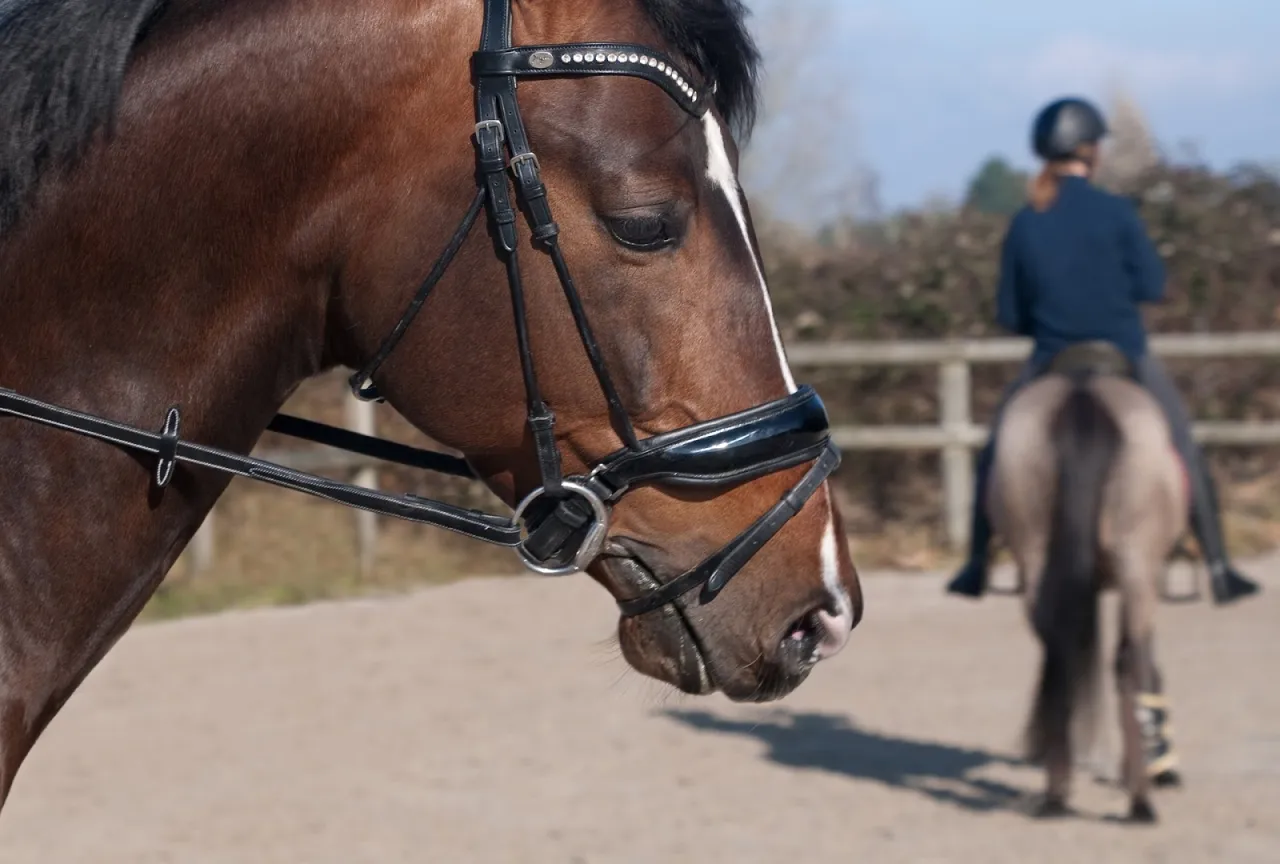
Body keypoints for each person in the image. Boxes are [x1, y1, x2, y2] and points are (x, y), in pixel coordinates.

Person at [945, 96, 1260, 605]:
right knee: (1182, 444)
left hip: (1052, 358)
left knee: (997, 447)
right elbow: (1154, 284)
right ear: (1090, 151)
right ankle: (1221, 567)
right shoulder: (1116, 211)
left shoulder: (1027, 220)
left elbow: (1009, 312)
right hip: (1123, 354)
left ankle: (976, 564)